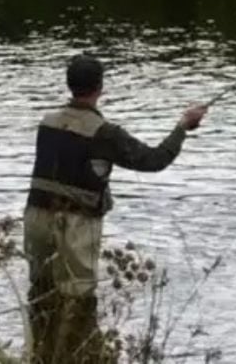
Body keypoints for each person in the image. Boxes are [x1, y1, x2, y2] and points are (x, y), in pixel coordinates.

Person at [23, 54, 207, 363]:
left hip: (35, 217)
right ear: (100, 87)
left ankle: (39, 353)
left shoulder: (47, 122)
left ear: (70, 85)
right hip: (77, 223)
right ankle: (80, 357)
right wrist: (182, 127)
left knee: (41, 292)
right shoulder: (105, 132)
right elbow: (154, 160)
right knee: (79, 299)